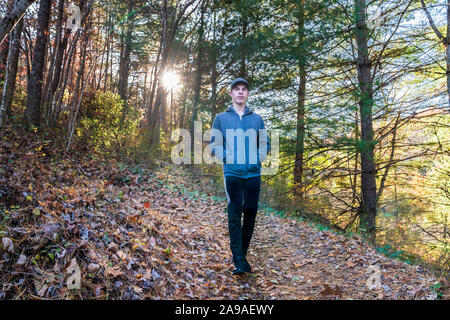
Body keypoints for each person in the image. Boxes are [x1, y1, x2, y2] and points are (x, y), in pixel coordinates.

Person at [210, 77, 270, 275]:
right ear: (231, 93)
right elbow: (215, 144)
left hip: (252, 173)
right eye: (236, 89)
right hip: (232, 173)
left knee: (251, 211)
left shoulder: (256, 118)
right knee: (235, 212)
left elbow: (265, 143)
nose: (240, 92)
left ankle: (242, 255)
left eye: (244, 89)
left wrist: (257, 160)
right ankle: (238, 260)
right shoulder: (221, 118)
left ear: (248, 94)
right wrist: (227, 158)